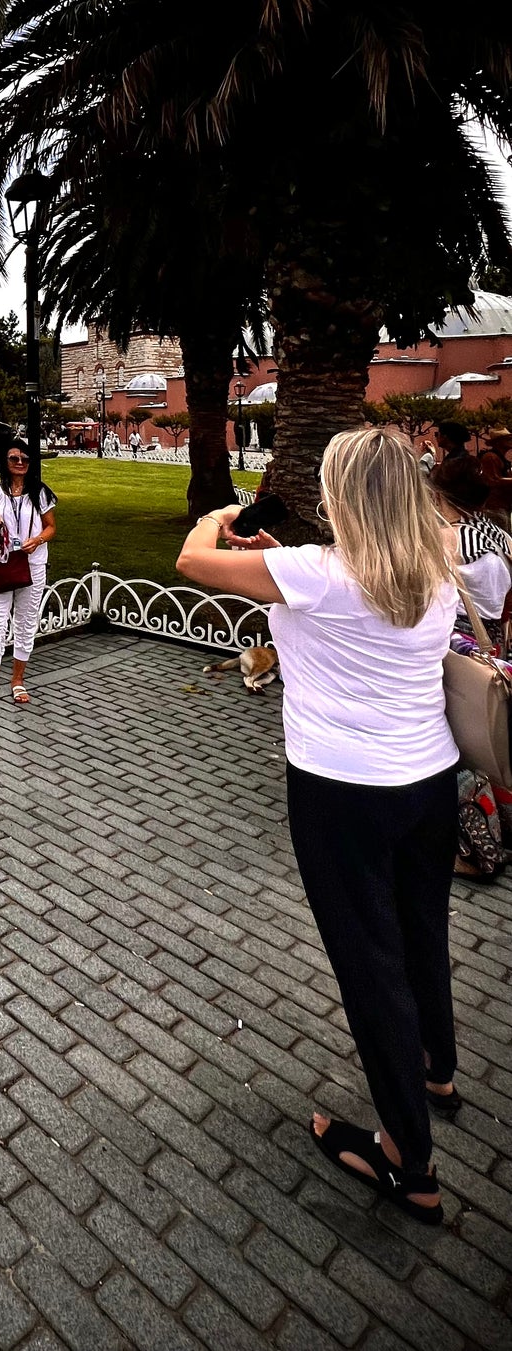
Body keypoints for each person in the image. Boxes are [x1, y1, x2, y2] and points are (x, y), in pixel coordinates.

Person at [176, 427, 459, 1224]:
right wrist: (271, 554)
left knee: (371, 967)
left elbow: (193, 562)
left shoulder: (320, 572)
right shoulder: (434, 560)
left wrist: (217, 516)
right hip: (428, 783)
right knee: (419, 933)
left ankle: (409, 1162)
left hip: (341, 794)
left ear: (346, 498)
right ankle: (436, 1070)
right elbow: (319, 596)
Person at [0, 438, 56, 707]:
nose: (20, 463)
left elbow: (51, 527)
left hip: (33, 563)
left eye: (25, 459)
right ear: (5, 463)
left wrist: (38, 540)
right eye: (14, 458)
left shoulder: (40, 492)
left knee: (26, 621)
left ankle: (18, 681)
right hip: (2, 563)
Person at [430, 456, 512, 631]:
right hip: (493, 639)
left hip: (455, 642)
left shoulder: (442, 539)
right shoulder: (504, 538)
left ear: (437, 497)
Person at [476, 426, 512, 517]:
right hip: (494, 506)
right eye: (507, 439)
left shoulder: (500, 457)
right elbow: (492, 480)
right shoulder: (491, 457)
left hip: (503, 504)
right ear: (498, 442)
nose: (510, 441)